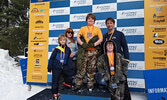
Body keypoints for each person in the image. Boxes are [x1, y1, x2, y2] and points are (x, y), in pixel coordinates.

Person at [73, 13, 103, 92]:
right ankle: (78, 86)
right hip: (84, 52)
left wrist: (94, 44)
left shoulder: (97, 29)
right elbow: (78, 38)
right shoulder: (83, 28)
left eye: (92, 19)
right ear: (86, 20)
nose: (90, 20)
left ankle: (90, 85)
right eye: (89, 19)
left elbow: (101, 39)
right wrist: (82, 44)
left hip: (93, 53)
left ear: (94, 21)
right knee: (81, 69)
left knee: (91, 70)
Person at [102, 17, 131, 100]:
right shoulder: (105, 36)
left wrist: (127, 58)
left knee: (122, 80)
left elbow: (125, 46)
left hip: (119, 61)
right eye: (107, 23)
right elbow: (102, 49)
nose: (109, 25)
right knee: (111, 80)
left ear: (113, 24)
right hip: (108, 61)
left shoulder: (119, 34)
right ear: (106, 25)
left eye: (111, 23)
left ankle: (125, 98)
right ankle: (113, 97)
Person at [48, 35, 74, 100]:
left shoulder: (68, 49)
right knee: (55, 81)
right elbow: (51, 59)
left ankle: (66, 85)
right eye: (61, 40)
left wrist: (70, 67)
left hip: (64, 67)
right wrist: (49, 67)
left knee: (70, 75)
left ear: (66, 41)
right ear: (59, 41)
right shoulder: (56, 49)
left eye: (64, 40)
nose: (63, 41)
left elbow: (69, 59)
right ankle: (55, 93)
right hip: (56, 67)